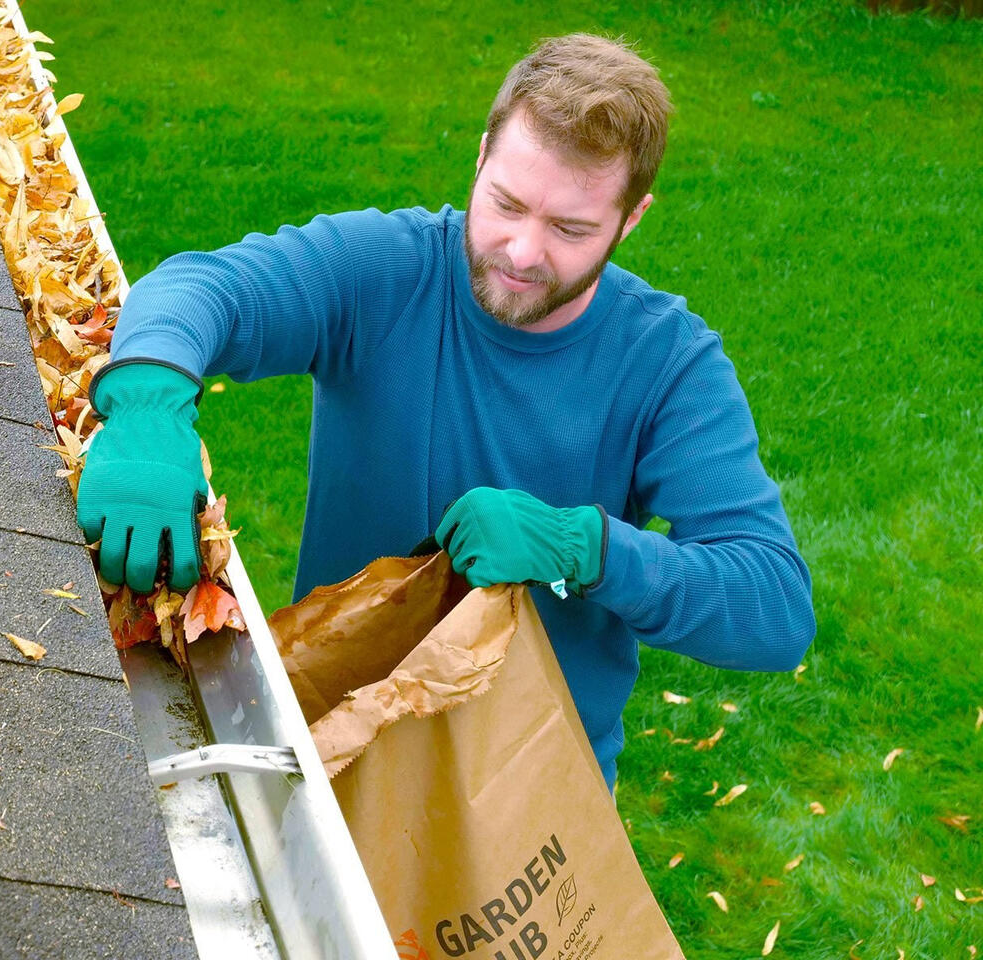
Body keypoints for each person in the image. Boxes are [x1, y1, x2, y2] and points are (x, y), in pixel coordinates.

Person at [76, 33, 815, 789]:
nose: (523, 252)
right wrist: (148, 403)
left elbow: (775, 608)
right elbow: (206, 290)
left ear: (630, 219)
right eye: (507, 204)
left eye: (570, 229)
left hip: (524, 801)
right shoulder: (388, 270)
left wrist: (584, 547)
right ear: (481, 158)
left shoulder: (668, 364)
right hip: (337, 738)